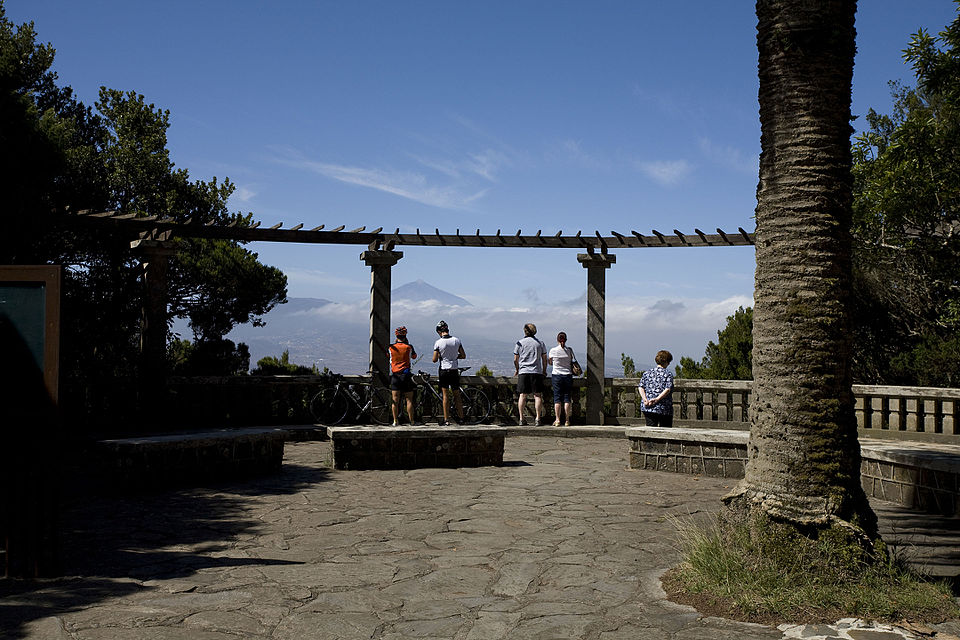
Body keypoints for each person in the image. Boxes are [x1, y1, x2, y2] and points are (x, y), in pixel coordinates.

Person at [513, 323, 547, 426]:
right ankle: (537, 418)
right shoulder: (540, 343)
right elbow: (544, 359)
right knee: (537, 395)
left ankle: (521, 418)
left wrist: (517, 369)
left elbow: (515, 359)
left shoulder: (520, 343)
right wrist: (544, 370)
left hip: (523, 371)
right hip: (536, 372)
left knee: (522, 395)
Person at [432, 320, 465, 425]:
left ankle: (446, 420)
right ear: (448, 330)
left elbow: (434, 359)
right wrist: (455, 357)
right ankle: (461, 418)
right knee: (457, 395)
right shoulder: (456, 340)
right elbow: (463, 355)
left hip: (444, 370)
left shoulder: (438, 342)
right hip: (454, 370)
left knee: (445, 395)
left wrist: (442, 356)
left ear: (439, 331)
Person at [388, 326, 417, 426]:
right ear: (405, 335)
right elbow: (414, 356)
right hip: (406, 376)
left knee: (395, 400)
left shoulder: (391, 348)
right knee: (409, 400)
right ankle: (412, 421)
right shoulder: (409, 347)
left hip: (395, 376)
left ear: (396, 335)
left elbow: (388, 356)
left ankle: (395, 421)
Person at [638, 350, 674, 427]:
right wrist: (657, 399)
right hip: (664, 407)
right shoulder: (668, 374)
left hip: (648, 406)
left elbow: (641, 386)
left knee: (650, 430)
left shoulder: (647, 373)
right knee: (665, 431)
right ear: (667, 362)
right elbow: (667, 389)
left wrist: (644, 399)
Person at [547, 331, 576, 426]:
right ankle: (567, 420)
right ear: (566, 340)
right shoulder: (569, 350)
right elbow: (572, 361)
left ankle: (558, 419)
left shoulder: (553, 350)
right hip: (567, 375)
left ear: (557, 340)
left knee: (557, 398)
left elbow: (550, 362)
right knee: (567, 398)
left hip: (556, 375)